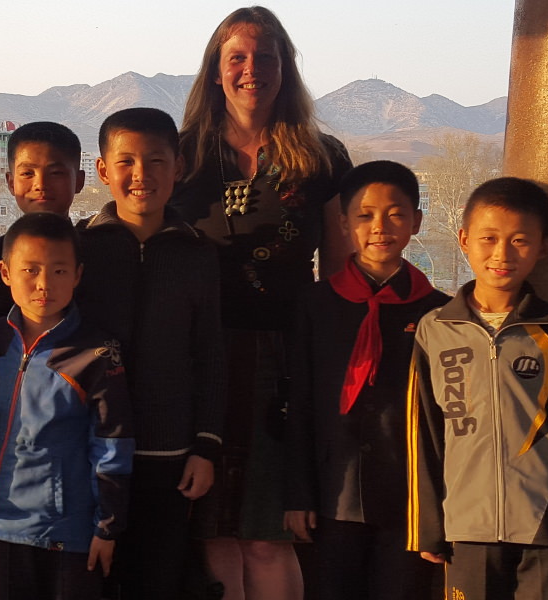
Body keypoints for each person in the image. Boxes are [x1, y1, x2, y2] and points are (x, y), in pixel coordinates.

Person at [170, 6, 353, 598]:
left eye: (266, 57)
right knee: (215, 531)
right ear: (216, 71)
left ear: (286, 68)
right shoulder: (182, 155)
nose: (253, 69)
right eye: (238, 58)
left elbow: (341, 268)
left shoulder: (321, 156)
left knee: (270, 533)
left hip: (286, 358)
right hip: (202, 356)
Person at [406, 177, 548, 600]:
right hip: (466, 525)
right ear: (464, 239)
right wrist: (427, 526)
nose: (502, 254)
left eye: (520, 240)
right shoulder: (435, 329)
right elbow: (424, 434)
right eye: (489, 238)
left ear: (544, 246)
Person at [74, 107, 225, 599]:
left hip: (168, 450)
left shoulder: (198, 253)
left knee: (158, 577)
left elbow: (209, 353)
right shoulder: (79, 250)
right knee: (89, 576)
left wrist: (205, 445)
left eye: (156, 160)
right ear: (102, 170)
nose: (142, 176)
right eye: (127, 162)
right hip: (88, 448)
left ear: (178, 167)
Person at [282, 161, 447, 600]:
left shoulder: (440, 311)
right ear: (343, 223)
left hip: (410, 497)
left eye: (395, 214)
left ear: (416, 221)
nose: (380, 227)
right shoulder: (316, 304)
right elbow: (299, 402)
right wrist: (299, 494)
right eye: (364, 215)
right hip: (333, 491)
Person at [0, 212, 134, 600]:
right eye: (30, 270)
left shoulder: (95, 352)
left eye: (59, 271)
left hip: (68, 530)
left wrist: (107, 527)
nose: (44, 284)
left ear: (78, 275)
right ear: (5, 271)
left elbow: (113, 445)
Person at [0, 121, 86, 330]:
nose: (40, 184)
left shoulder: (99, 252)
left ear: (79, 181)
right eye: (27, 174)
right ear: (11, 182)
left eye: (56, 173)